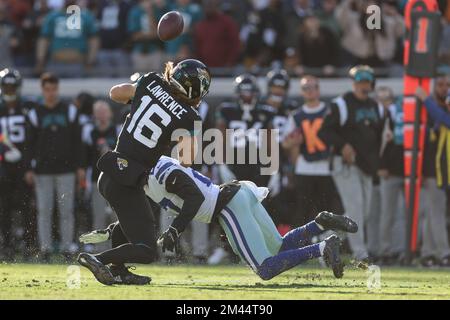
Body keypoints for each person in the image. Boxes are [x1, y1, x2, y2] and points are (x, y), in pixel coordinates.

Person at [80, 155, 359, 284]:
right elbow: (144, 216)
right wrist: (111, 229)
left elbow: (194, 199)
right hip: (238, 197)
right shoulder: (150, 176)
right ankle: (319, 224)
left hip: (226, 206)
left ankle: (323, 247)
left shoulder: (159, 171)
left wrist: (176, 230)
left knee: (265, 269)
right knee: (278, 249)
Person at [77, 59, 211, 285]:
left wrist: (144, 98)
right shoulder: (190, 117)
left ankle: (118, 270)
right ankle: (98, 258)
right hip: (127, 182)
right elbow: (186, 161)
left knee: (129, 223)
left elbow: (115, 93)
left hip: (111, 171)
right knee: (148, 250)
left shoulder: (151, 81)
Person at [318, 65, 383, 264]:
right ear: (353, 83)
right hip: (344, 164)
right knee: (355, 209)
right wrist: (343, 145)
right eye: (359, 82)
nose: (363, 86)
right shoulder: (341, 104)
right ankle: (361, 254)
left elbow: (377, 138)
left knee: (363, 212)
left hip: (366, 165)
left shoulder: (376, 107)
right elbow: (324, 132)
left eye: (366, 83)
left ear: (371, 84)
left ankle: (322, 243)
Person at [24, 72, 84, 262]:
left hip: (66, 170)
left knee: (66, 210)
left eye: (53, 89)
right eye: (47, 89)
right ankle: (45, 249)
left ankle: (67, 247)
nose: (50, 93)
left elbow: (78, 142)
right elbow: (28, 144)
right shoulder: (34, 114)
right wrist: (28, 168)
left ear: (57, 89)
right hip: (42, 171)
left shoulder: (70, 111)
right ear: (43, 90)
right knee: (44, 211)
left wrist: (80, 166)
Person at [283, 75, 343, 228]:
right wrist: (292, 142)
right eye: (305, 88)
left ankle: (328, 242)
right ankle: (301, 245)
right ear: (302, 92)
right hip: (305, 166)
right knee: (303, 210)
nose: (309, 91)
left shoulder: (329, 112)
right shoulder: (296, 115)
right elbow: (285, 143)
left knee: (328, 209)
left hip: (327, 167)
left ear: (318, 90)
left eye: (313, 87)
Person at [0, 68, 36, 259]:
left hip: (23, 166)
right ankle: (7, 246)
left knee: (26, 207)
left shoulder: (27, 108)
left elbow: (33, 139)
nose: (9, 90)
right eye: (6, 86)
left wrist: (28, 164)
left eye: (12, 86)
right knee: (4, 208)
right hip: (3, 166)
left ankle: (29, 245)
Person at [415, 81, 450, 267]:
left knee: (434, 213)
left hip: (442, 175)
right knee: (432, 213)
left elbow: (443, 118)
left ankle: (436, 252)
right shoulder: (439, 119)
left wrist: (425, 99)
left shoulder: (442, 118)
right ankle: (435, 253)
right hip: (437, 175)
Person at [35, 0, 99, 77]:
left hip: (78, 64)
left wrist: (90, 60)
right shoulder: (53, 16)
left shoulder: (86, 16)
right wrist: (40, 60)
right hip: (56, 62)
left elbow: (94, 40)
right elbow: (44, 39)